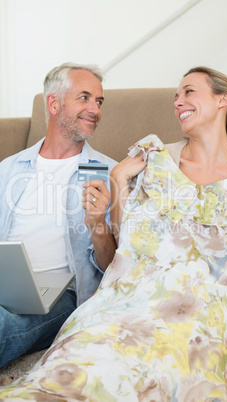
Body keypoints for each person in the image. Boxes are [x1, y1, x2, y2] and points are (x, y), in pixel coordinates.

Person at [0, 66, 227, 400]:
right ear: (53, 104)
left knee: (144, 365)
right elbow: (127, 257)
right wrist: (118, 182)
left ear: (222, 100)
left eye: (189, 92)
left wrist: (103, 206)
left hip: (186, 305)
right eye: (176, 95)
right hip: (123, 294)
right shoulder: (150, 160)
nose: (178, 102)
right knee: (78, 358)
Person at [0, 62, 117, 368]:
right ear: (54, 103)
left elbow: (115, 268)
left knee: (3, 324)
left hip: (63, 295)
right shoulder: (9, 169)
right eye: (85, 98)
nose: (95, 109)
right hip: (5, 282)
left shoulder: (108, 174)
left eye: (99, 101)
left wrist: (98, 225)